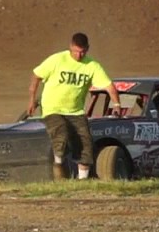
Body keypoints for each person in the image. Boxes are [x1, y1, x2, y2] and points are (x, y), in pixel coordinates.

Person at [28, 32, 121, 180]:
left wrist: (116, 104)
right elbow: (36, 75)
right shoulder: (57, 60)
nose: (79, 55)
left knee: (85, 143)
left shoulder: (92, 66)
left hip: (76, 111)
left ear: (88, 49)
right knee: (61, 134)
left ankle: (82, 180)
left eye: (83, 51)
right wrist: (32, 99)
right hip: (53, 108)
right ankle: (59, 167)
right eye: (76, 51)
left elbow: (109, 85)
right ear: (70, 47)